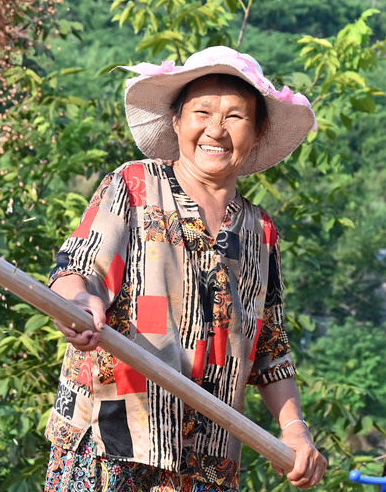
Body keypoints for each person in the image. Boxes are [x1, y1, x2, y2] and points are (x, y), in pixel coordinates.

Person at [44, 46, 328, 492]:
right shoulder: (134, 186)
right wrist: (77, 303)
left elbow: (271, 347)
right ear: (177, 121)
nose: (215, 129)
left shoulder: (260, 232)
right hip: (114, 447)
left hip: (208, 464)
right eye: (202, 112)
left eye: (235, 116)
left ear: (257, 132)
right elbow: (78, 267)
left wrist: (295, 428)